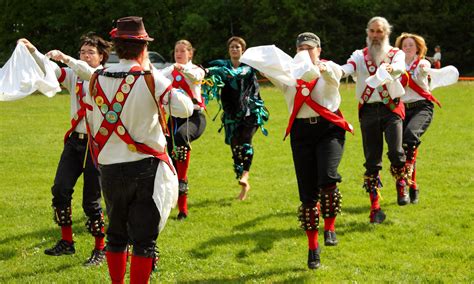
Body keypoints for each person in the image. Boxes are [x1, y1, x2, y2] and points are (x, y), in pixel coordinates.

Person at [86, 16, 193, 283]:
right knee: (144, 241)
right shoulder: (151, 78)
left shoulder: (96, 78)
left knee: (116, 235)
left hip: (109, 166)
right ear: (143, 49)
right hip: (144, 165)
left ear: (116, 47)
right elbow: (185, 108)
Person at [241, 33, 353, 269]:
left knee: (328, 177)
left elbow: (339, 74)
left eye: (310, 48)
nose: (305, 51)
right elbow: (266, 67)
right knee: (307, 193)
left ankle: (330, 228)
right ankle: (313, 249)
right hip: (301, 134)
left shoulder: (328, 67)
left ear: (319, 50)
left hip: (329, 130)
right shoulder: (288, 75)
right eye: (301, 48)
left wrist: (320, 68)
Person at [19, 34, 111, 266]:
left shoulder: (104, 76)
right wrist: (33, 50)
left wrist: (67, 58)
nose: (85, 55)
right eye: (82, 52)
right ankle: (67, 242)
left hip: (97, 144)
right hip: (75, 141)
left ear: (101, 57)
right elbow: (50, 68)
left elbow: (87, 72)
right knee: (60, 189)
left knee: (91, 201)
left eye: (90, 52)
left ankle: (100, 249)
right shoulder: (73, 75)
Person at [341, 16, 408, 223]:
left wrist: (390, 69)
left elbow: (399, 68)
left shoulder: (396, 54)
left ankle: (401, 183)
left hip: (391, 108)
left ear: (387, 33)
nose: (375, 35)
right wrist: (333, 72)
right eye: (372, 31)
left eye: (379, 31)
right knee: (372, 160)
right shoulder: (359, 55)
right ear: (367, 33)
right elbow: (348, 68)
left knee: (396, 152)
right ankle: (375, 208)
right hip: (368, 111)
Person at [206, 36, 269, 200]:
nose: (235, 49)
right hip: (231, 115)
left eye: (238, 47)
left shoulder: (249, 67)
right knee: (235, 149)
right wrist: (204, 71)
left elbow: (240, 73)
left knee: (246, 141)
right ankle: (243, 183)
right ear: (229, 50)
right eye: (232, 47)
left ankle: (246, 175)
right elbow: (208, 68)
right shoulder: (222, 65)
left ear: (243, 50)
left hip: (251, 111)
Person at [160, 40, 206, 220]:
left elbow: (195, 78)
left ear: (190, 54)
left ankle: (183, 191)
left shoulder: (197, 69)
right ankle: (170, 203)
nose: (178, 54)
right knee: (167, 160)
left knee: (180, 138)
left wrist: (182, 69)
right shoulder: (168, 71)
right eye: (176, 51)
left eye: (182, 51)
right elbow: (155, 80)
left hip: (194, 118)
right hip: (173, 119)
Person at [395, 33, 441, 204]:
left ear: (418, 48)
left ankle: (404, 183)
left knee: (410, 136)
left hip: (422, 107)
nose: (407, 48)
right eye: (404, 45)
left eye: (411, 46)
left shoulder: (422, 63)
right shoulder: (395, 65)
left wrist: (423, 68)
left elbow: (425, 67)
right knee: (402, 149)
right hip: (401, 108)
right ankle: (412, 185)